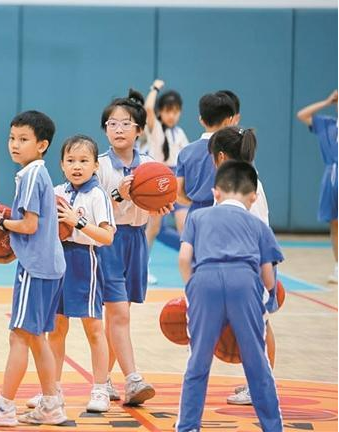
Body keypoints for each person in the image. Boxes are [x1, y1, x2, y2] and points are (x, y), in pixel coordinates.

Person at [0, 111, 66, 426]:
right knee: (36, 338)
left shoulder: (31, 176)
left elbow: (29, 225)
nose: (14, 145)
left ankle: (4, 406)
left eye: (23, 139)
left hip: (35, 270)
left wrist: (1, 222)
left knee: (19, 337)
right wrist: (9, 253)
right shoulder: (37, 174)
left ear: (42, 145)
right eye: (12, 138)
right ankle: (51, 405)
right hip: (49, 267)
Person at [177, 160, 284, 432]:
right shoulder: (258, 224)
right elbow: (268, 276)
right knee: (257, 363)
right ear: (253, 197)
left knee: (197, 362)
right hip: (243, 281)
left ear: (216, 192)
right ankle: (272, 427)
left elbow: (185, 258)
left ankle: (188, 427)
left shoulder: (197, 217)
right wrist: (266, 296)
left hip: (205, 280)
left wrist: (193, 288)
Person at [23, 134, 115, 413]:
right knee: (56, 329)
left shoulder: (97, 195)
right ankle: (53, 389)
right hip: (57, 260)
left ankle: (100, 388)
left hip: (85, 261)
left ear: (95, 165)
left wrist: (79, 222)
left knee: (94, 329)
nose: (77, 166)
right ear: (62, 165)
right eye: (71, 160)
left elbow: (107, 237)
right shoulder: (56, 192)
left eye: (84, 161)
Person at [97, 89, 167, 405]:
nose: (119, 129)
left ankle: (103, 380)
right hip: (108, 242)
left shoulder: (151, 166)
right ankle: (133, 379)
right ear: (105, 130)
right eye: (112, 124)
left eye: (126, 123)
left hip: (136, 241)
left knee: (118, 318)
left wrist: (161, 204)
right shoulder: (98, 165)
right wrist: (119, 195)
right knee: (119, 314)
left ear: (139, 129)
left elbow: (159, 201)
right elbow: (92, 210)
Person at [143, 79, 189, 282]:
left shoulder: (180, 133)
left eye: (176, 111)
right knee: (153, 228)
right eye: (168, 110)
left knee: (184, 227)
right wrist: (154, 89)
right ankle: (142, 268)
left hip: (177, 181)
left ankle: (192, 268)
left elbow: (186, 161)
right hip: (158, 180)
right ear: (161, 111)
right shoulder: (155, 129)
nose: (172, 115)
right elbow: (148, 108)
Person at [296, 89, 338, 283]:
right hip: (331, 176)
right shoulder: (327, 124)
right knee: (334, 223)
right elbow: (302, 114)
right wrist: (327, 101)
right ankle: (337, 267)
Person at [175, 92, 236, 218]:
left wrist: (196, 204)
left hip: (194, 215)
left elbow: (178, 193)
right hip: (223, 215)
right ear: (228, 121)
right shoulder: (233, 150)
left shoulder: (185, 152)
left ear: (201, 120)